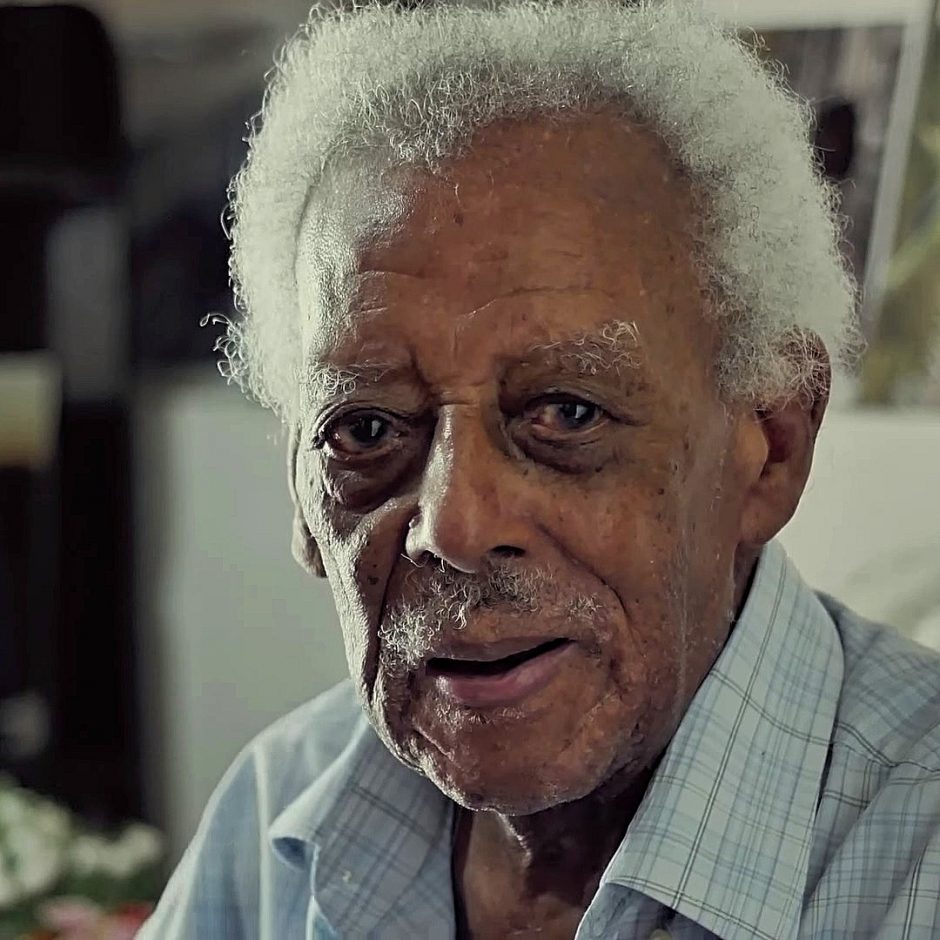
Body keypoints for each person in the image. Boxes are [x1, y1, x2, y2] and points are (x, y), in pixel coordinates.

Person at [139, 1, 940, 937]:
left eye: (566, 414)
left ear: (772, 445)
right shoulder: (275, 817)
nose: (455, 525)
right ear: (301, 497)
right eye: (366, 429)